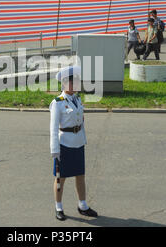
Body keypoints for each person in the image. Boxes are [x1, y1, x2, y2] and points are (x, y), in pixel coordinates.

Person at [49, 65, 98, 221]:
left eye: (76, 81)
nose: (75, 84)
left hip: (77, 142)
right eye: (71, 82)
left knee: (80, 175)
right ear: (64, 84)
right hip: (64, 144)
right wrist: (54, 149)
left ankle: (82, 205)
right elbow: (53, 128)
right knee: (60, 177)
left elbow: (81, 122)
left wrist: (83, 139)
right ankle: (59, 207)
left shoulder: (77, 99)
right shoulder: (57, 102)